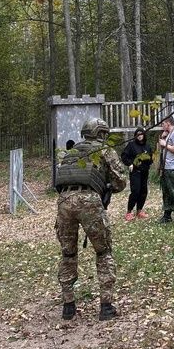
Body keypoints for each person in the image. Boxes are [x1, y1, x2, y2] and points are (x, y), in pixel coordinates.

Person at [54, 117, 126, 321]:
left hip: (64, 201)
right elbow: (120, 181)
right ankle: (106, 305)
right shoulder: (104, 150)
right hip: (89, 202)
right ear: (101, 133)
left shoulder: (72, 152)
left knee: (68, 253)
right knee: (103, 252)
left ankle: (68, 305)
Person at [121, 126, 153, 221]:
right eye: (138, 135)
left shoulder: (147, 146)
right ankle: (129, 212)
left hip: (144, 172)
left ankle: (139, 211)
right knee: (135, 191)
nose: (139, 136)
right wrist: (130, 164)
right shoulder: (131, 145)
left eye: (141, 134)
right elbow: (124, 156)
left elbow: (151, 157)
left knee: (143, 192)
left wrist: (149, 161)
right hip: (135, 172)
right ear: (135, 136)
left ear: (144, 135)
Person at [157, 116, 174, 224]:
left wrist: (165, 144)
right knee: (166, 192)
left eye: (163, 124)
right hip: (166, 168)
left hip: (173, 168)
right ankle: (167, 215)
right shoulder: (169, 134)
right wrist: (164, 138)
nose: (162, 126)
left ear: (168, 123)